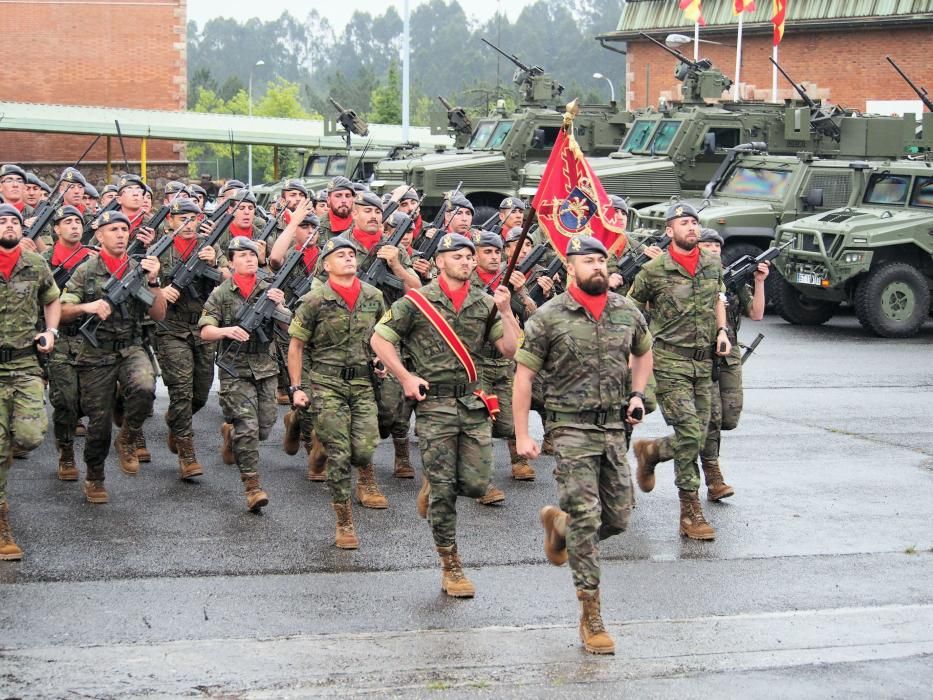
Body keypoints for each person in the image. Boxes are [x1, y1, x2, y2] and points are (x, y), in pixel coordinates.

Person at [513, 233, 652, 655]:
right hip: (569, 430)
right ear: (569, 266)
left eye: (601, 260)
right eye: (587, 260)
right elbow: (523, 378)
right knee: (589, 519)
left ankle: (561, 526)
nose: (597, 266)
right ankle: (591, 616)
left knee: (620, 518)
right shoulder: (549, 317)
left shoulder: (626, 310)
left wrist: (637, 394)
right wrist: (522, 434)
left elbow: (644, 353)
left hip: (613, 428)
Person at [371, 233, 520, 598]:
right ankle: (451, 564)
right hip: (434, 406)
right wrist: (405, 376)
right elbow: (379, 338)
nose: (467, 261)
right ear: (440, 262)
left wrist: (505, 310)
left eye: (471, 256)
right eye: (459, 255)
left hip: (472, 404)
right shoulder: (417, 302)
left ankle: (435, 485)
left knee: (477, 483)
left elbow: (510, 349)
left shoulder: (484, 303)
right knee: (444, 491)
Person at [627, 203, 731, 540]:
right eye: (684, 223)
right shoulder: (654, 270)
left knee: (698, 437)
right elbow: (632, 311)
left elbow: (718, 298)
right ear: (669, 230)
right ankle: (690, 514)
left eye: (695, 223)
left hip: (704, 362)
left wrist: (722, 332)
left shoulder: (712, 263)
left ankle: (651, 452)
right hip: (669, 362)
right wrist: (639, 352)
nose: (692, 228)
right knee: (689, 434)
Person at [59, 210, 166, 504]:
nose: (120, 234)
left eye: (124, 229)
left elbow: (157, 314)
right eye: (113, 229)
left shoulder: (139, 268)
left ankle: (129, 436)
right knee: (99, 423)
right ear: (100, 235)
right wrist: (88, 307)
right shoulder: (86, 270)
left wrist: (154, 281)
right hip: (97, 351)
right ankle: (95, 476)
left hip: (131, 346)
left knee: (146, 387)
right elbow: (63, 310)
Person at [288, 237, 386, 547]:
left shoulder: (374, 296)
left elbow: (381, 337)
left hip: (361, 383)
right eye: (340, 255)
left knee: (366, 448)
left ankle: (320, 445)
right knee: (341, 454)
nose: (348, 259)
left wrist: (381, 360)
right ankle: (344, 521)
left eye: (351, 255)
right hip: (326, 384)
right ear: (326, 265)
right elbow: (297, 346)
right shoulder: (313, 300)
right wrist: (296, 387)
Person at [199, 237, 291, 512]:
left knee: (264, 428)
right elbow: (205, 331)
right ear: (230, 262)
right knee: (248, 428)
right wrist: (226, 331)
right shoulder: (222, 293)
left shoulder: (270, 288)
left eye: (252, 254)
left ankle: (232, 435)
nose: (249, 258)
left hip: (266, 368)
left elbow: (290, 329)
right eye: (241, 255)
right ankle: (252, 486)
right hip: (235, 369)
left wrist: (281, 306)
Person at [0, 203, 61, 560]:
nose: (8, 226)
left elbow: (51, 300)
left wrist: (50, 330)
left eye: (13, 221)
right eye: (2, 221)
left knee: (31, 435)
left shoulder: (35, 263)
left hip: (24, 364)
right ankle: (3, 523)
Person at [696, 228, 768, 500]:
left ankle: (656, 452)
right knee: (711, 417)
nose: (713, 249)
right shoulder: (692, 278)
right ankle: (714, 478)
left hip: (729, 354)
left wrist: (760, 281)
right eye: (707, 245)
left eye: (717, 245)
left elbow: (757, 313)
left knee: (728, 416)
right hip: (702, 353)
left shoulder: (732, 278)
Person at [155, 199, 222, 480]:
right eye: (182, 217)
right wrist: (160, 291)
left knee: (200, 393)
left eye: (193, 218)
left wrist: (215, 263)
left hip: (203, 328)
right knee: (181, 390)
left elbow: (229, 281)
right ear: (170, 220)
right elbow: (138, 284)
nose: (188, 223)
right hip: (172, 328)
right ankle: (187, 452)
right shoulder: (158, 251)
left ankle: (176, 420)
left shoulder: (209, 247)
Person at [471, 229, 535, 502]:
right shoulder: (467, 282)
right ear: (474, 256)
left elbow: (534, 315)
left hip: (505, 362)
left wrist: (520, 293)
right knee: (480, 424)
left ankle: (519, 460)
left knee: (510, 422)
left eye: (498, 252)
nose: (494, 256)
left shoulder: (509, 281)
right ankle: (481, 483)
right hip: (477, 362)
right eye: (487, 251)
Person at [42, 205, 94, 481]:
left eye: (78, 222)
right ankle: (66, 452)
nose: (75, 226)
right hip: (60, 336)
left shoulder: (93, 259)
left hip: (92, 337)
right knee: (64, 400)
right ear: (56, 228)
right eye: (68, 222)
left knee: (91, 399)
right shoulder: (42, 260)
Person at [316, 177, 355, 244]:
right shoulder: (316, 227)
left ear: (353, 199)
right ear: (328, 200)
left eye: (348, 196)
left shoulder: (362, 224)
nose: (344, 200)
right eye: (338, 196)